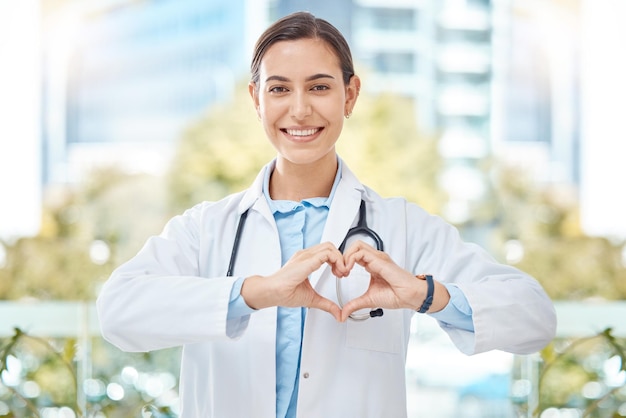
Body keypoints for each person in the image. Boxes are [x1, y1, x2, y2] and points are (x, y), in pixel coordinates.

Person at [97, 11, 556, 418]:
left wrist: (422, 294)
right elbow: (117, 312)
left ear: (350, 96)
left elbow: (534, 316)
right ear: (256, 98)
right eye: (279, 89)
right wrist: (254, 293)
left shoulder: (402, 226)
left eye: (319, 86)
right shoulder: (206, 228)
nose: (300, 109)